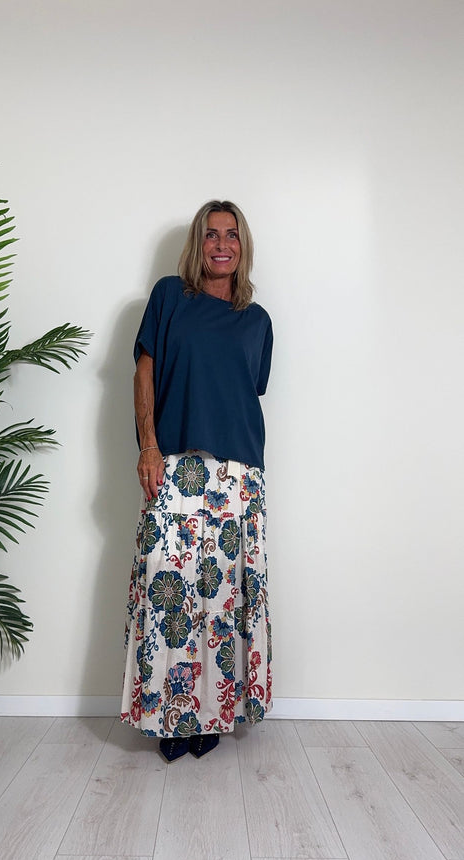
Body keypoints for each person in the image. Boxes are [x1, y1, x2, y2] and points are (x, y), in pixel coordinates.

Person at [120, 199, 273, 762]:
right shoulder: (169, 297)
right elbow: (144, 372)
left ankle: (212, 714)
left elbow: (246, 393)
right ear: (198, 243)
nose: (221, 244)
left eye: (232, 235)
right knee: (169, 591)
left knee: (223, 598)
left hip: (238, 473)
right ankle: (170, 714)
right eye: (211, 234)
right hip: (174, 463)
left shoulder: (258, 322)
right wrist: (148, 444)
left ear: (242, 246)